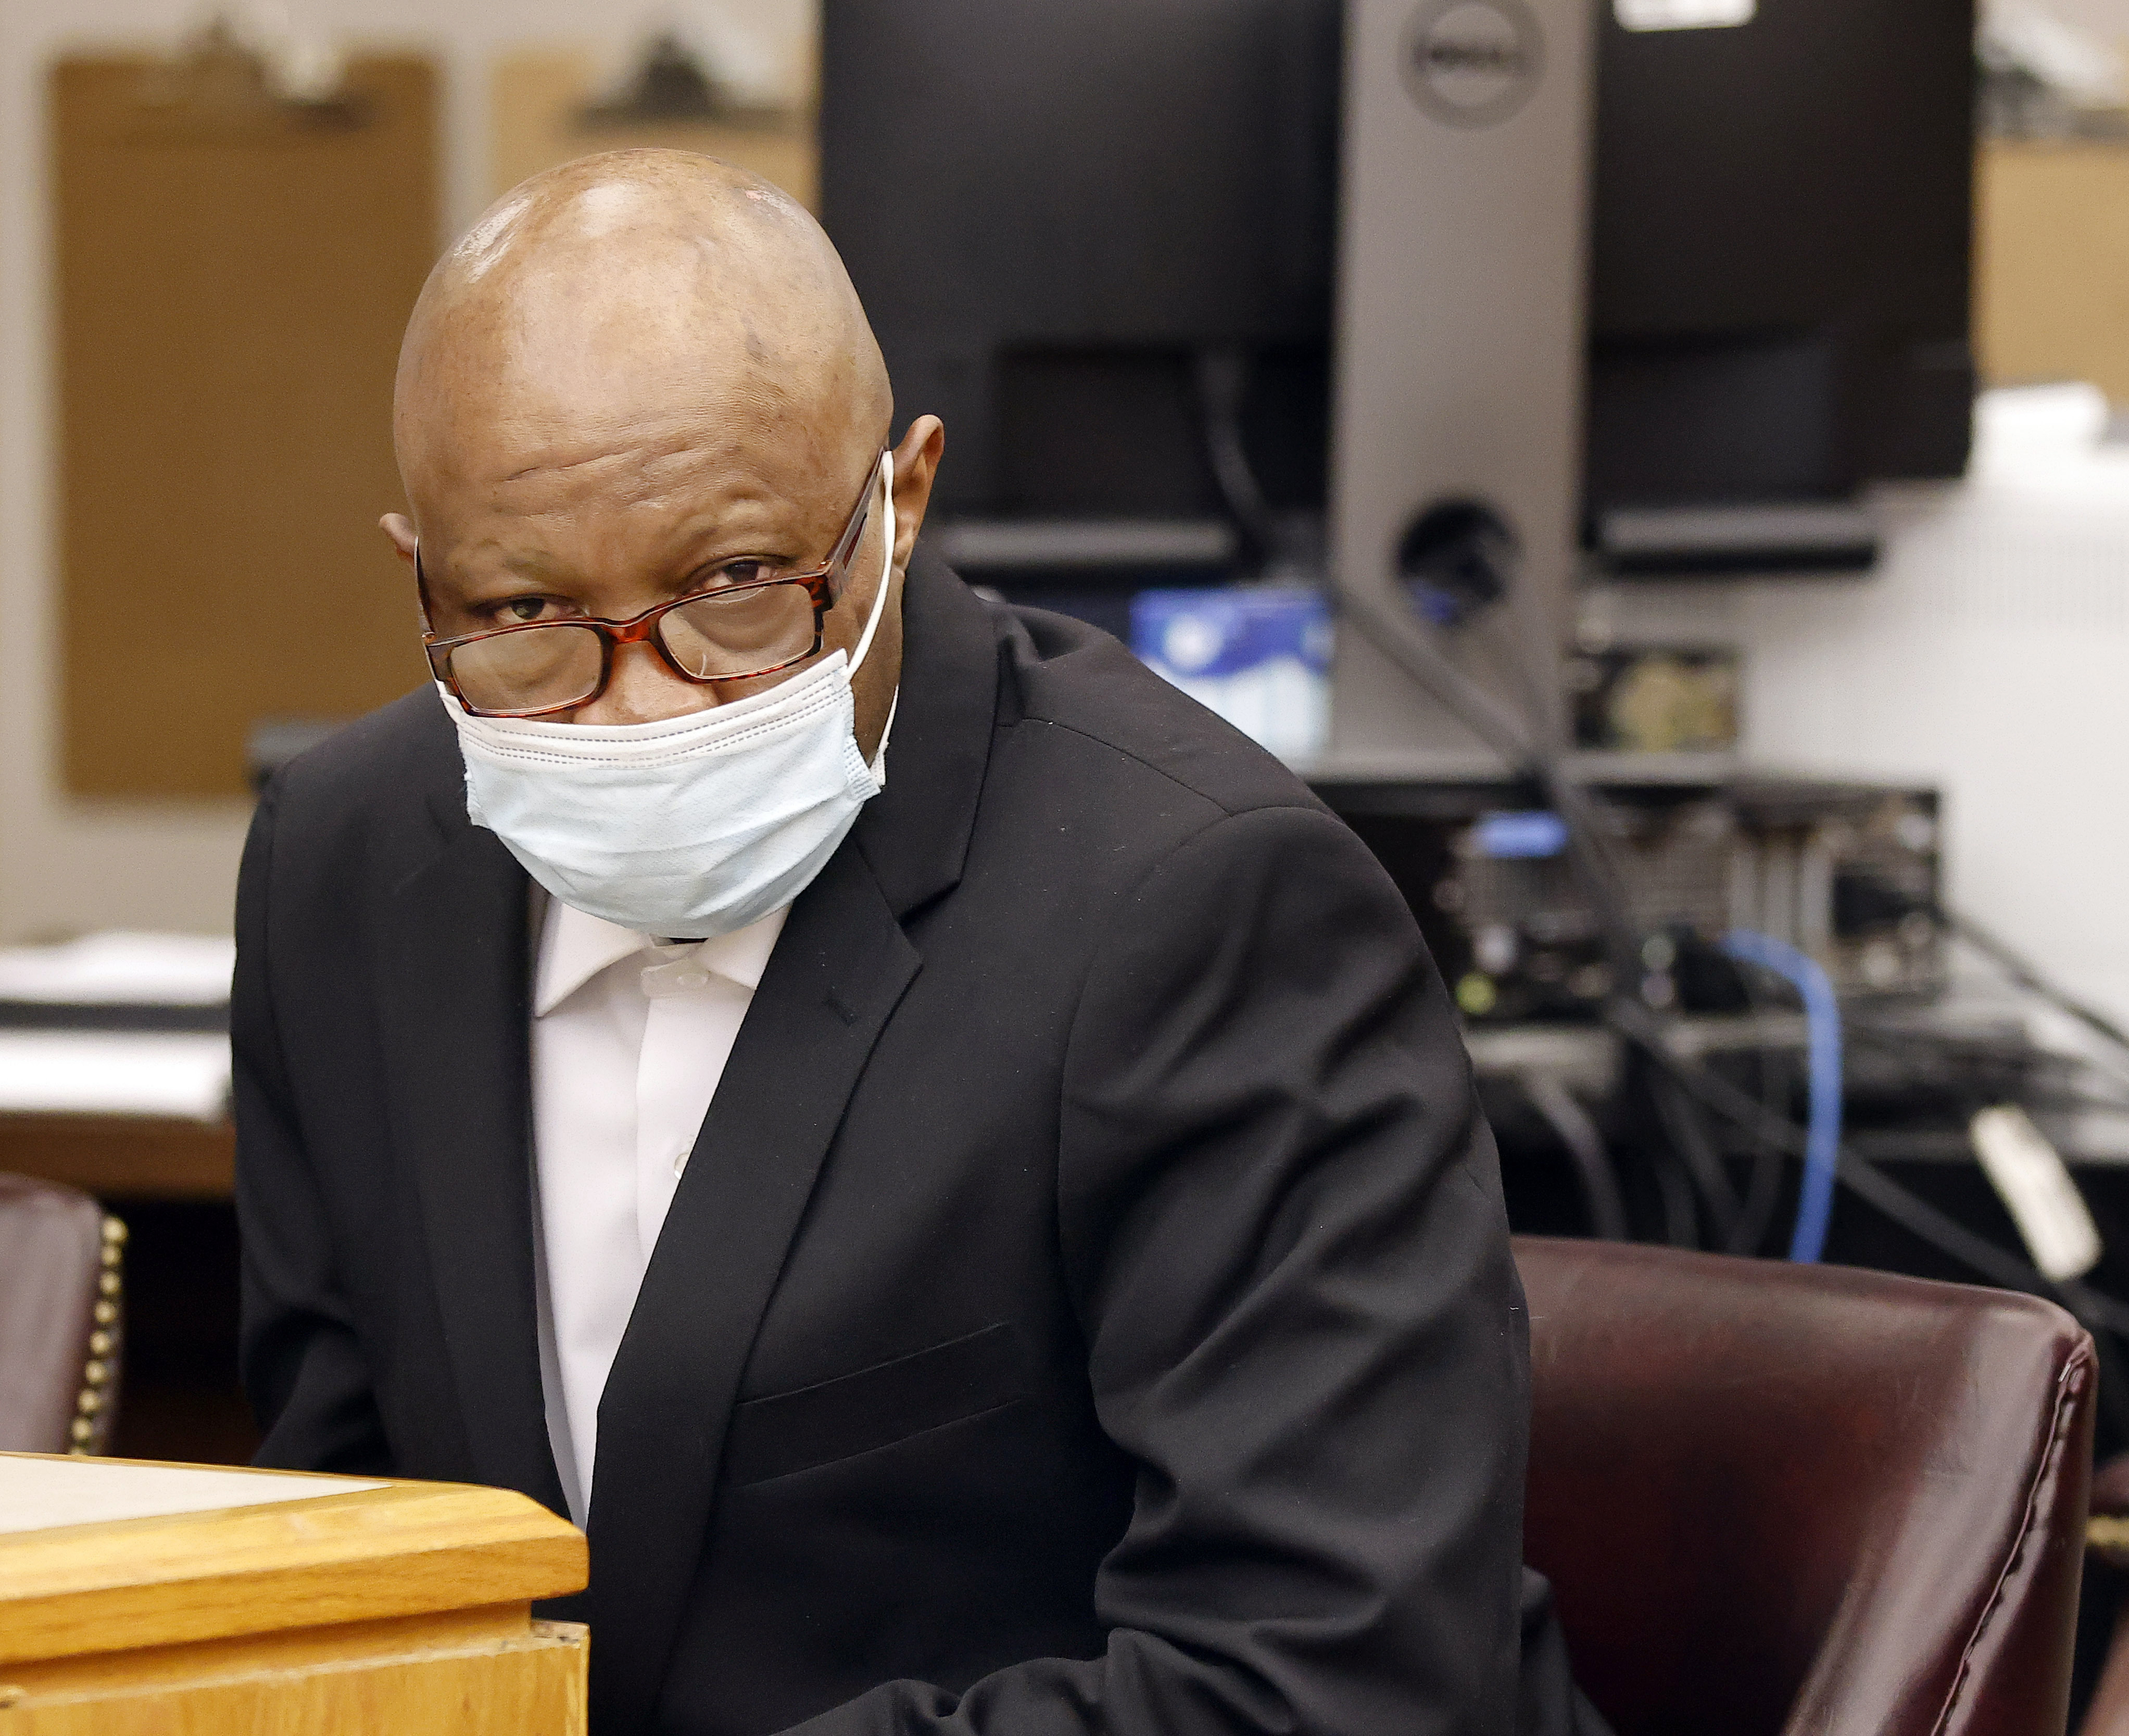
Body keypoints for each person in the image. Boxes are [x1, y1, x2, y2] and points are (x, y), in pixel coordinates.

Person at [236, 149, 1599, 1736]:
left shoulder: (1199, 906)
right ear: (420, 573)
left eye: (739, 591)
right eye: (522, 618)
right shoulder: (347, 865)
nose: (644, 700)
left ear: (901, 495)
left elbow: (1323, 1679)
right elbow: (343, 1553)